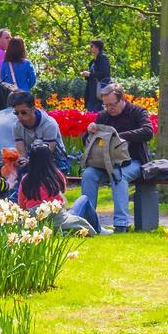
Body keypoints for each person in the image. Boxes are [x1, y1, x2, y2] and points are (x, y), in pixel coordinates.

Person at [68, 84, 153, 234]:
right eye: (105, 105)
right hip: (105, 162)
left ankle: (121, 224)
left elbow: (148, 132)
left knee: (117, 174)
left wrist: (118, 137)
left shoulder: (137, 112)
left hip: (134, 161)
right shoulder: (103, 116)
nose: (109, 108)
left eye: (112, 104)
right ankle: (87, 222)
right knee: (88, 174)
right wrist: (89, 132)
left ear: (122, 99)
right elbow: (87, 141)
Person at [10, 91, 63, 165]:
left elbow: (47, 153)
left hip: (55, 160)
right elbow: (22, 154)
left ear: (33, 109)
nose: (20, 116)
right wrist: (20, 161)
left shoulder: (49, 124)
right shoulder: (17, 126)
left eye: (23, 112)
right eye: (16, 113)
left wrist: (29, 162)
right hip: (31, 161)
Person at [16, 142, 68, 211]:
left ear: (31, 160)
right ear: (50, 158)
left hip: (34, 218)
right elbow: (63, 190)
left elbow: (21, 205)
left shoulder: (26, 180)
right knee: (83, 199)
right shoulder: (57, 174)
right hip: (58, 216)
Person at [82, 39, 111, 112]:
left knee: (97, 112)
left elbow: (104, 73)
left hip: (99, 91)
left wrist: (89, 74)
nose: (90, 48)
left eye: (92, 46)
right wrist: (87, 75)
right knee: (90, 111)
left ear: (97, 47)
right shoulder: (94, 61)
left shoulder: (103, 58)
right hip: (92, 91)